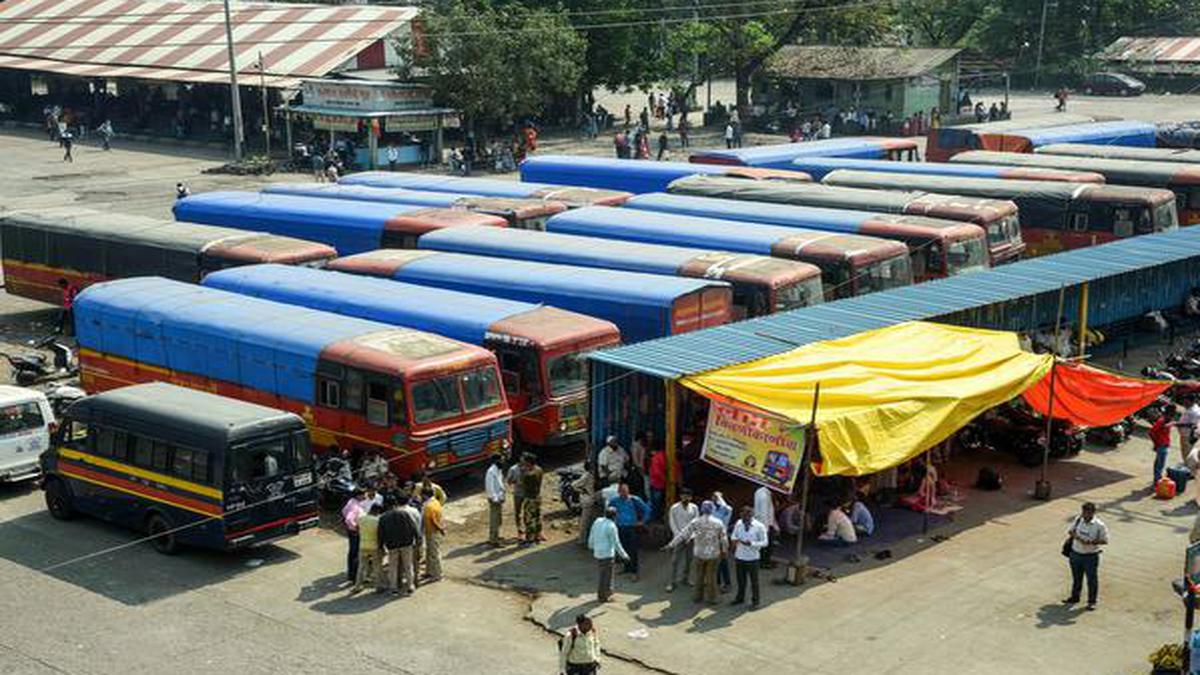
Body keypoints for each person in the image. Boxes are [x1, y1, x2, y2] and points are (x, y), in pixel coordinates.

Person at [663, 500, 729, 604]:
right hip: (713, 554)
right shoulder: (718, 522)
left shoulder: (695, 522)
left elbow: (683, 534)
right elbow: (723, 539)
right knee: (711, 577)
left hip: (699, 553)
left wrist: (671, 545)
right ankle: (712, 598)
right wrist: (725, 551)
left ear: (702, 509)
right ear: (712, 510)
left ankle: (698, 597)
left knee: (699, 575)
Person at [1063, 502, 1108, 610]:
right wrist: (1079, 538)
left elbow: (1105, 540)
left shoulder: (1099, 525)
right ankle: (1075, 597)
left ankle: (1092, 601)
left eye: (1088, 512)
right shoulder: (1078, 520)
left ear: (1093, 513)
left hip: (1090, 557)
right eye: (1084, 512)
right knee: (1076, 578)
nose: (1085, 515)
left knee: (1091, 579)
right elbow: (1071, 531)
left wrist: (1091, 542)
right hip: (1075, 554)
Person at [379, 496, 419, 595]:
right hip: (406, 543)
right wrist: (418, 539)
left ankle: (393, 587)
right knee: (408, 565)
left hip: (392, 545)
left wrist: (381, 546)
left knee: (392, 567)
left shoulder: (383, 517)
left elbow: (381, 534)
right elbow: (413, 527)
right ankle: (410, 586)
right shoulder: (404, 513)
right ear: (395, 504)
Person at [588, 506, 629, 602]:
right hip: (607, 554)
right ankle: (603, 596)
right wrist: (624, 555)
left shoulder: (598, 521)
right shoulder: (612, 526)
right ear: (615, 516)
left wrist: (591, 545)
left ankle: (608, 593)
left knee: (604, 574)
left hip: (598, 552)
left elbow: (592, 533)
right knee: (606, 576)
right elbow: (616, 543)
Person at [730, 506, 768, 608]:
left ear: (751, 516)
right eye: (742, 516)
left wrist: (751, 543)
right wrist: (734, 540)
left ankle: (756, 601)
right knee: (740, 580)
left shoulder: (759, 526)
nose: (743, 519)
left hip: (753, 558)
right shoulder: (739, 523)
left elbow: (765, 542)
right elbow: (734, 535)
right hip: (740, 556)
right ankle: (740, 598)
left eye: (746, 517)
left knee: (754, 581)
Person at [610, 482, 648, 580]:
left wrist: (642, 521)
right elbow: (608, 511)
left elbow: (647, 510)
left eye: (626, 491)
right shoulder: (614, 501)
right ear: (618, 492)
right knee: (623, 549)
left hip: (632, 528)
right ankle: (626, 567)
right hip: (619, 528)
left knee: (633, 550)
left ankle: (634, 572)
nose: (624, 493)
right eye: (622, 491)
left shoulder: (635, 500)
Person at [666, 488, 698, 592]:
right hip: (678, 537)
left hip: (690, 538)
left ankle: (686, 579)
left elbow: (696, 523)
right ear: (680, 496)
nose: (685, 497)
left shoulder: (694, 508)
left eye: (687, 496)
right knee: (675, 560)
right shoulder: (674, 507)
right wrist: (678, 535)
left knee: (689, 560)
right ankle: (672, 582)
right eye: (683, 495)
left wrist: (691, 536)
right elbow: (672, 522)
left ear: (691, 497)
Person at [341, 487, 371, 583]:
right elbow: (349, 519)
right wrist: (356, 528)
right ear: (359, 495)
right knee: (356, 554)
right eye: (364, 494)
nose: (365, 496)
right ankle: (355, 575)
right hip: (355, 532)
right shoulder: (354, 506)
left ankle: (352, 574)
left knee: (353, 553)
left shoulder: (352, 502)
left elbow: (343, 511)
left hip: (352, 531)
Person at [353, 503, 384, 592]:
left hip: (363, 545)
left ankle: (357, 586)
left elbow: (356, 529)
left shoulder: (361, 518)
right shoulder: (378, 521)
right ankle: (378, 586)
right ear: (378, 511)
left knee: (361, 566)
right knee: (377, 566)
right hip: (375, 546)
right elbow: (380, 534)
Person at [520, 452, 545, 544]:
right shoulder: (539, 469)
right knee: (538, 517)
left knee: (529, 519)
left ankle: (529, 539)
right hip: (537, 496)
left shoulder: (528, 475)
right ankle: (538, 536)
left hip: (530, 498)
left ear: (528, 462)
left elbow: (523, 485)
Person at [421, 487, 445, 582]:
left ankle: (438, 574)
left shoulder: (428, 506)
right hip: (432, 531)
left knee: (434, 554)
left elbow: (433, 521)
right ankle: (429, 571)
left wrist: (440, 529)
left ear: (424, 495)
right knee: (430, 553)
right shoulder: (436, 502)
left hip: (432, 531)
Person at [711, 491, 734, 592]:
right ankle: (717, 582)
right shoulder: (710, 508)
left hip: (722, 538)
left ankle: (726, 583)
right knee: (714, 562)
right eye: (714, 497)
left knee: (723, 562)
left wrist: (720, 498)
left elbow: (725, 508)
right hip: (711, 538)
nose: (715, 499)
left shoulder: (727, 509)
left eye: (717, 497)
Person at [573, 461, 599, 546]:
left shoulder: (589, 475)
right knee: (585, 521)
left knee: (589, 520)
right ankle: (582, 539)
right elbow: (574, 485)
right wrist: (583, 491)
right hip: (588, 500)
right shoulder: (587, 476)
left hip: (589, 499)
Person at [648, 447, 677, 521]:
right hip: (659, 484)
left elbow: (656, 472)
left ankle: (655, 519)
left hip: (657, 483)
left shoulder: (657, 457)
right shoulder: (666, 457)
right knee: (657, 503)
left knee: (656, 504)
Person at [753, 485, 778, 568]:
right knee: (766, 546)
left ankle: (764, 562)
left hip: (764, 524)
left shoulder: (763, 493)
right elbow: (764, 513)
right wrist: (766, 528)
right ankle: (764, 563)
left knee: (764, 545)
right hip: (764, 525)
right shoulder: (764, 495)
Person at [1150, 407, 1176, 486]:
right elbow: (1151, 432)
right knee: (1159, 465)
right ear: (1167, 414)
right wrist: (1156, 443)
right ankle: (1157, 482)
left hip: (1164, 445)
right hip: (1161, 446)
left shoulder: (1167, 421)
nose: (1171, 417)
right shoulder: (1161, 421)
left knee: (1159, 464)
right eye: (1171, 415)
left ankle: (1157, 480)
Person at [485, 454, 507, 546]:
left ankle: (495, 536)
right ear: (496, 461)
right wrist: (495, 499)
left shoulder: (498, 470)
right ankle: (494, 540)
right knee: (494, 520)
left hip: (499, 498)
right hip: (495, 499)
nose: (503, 461)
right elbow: (490, 487)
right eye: (501, 460)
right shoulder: (491, 472)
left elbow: (500, 484)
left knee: (498, 519)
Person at [507, 458, 526, 538]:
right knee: (518, 512)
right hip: (518, 493)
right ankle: (519, 530)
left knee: (528, 512)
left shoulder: (528, 467)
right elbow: (509, 481)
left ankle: (529, 529)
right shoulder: (513, 469)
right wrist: (517, 482)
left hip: (527, 493)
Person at [1180, 398, 1200, 463]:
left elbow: (1193, 425)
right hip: (1185, 435)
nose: (1184, 404)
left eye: (1186, 402)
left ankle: (1189, 469)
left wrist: (1178, 424)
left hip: (1188, 436)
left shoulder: (1195, 412)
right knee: (1185, 453)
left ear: (1192, 402)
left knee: (1188, 454)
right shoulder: (1190, 408)